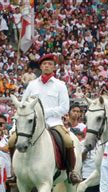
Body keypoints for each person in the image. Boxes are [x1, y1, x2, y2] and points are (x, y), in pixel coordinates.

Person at [7, 53, 82, 184]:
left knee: (68, 141)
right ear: (40, 67)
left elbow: (64, 107)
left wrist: (43, 114)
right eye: (44, 64)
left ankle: (71, 172)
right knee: (12, 141)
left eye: (50, 64)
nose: (47, 66)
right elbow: (23, 106)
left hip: (53, 123)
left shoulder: (60, 85)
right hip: (31, 124)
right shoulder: (32, 85)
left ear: (54, 67)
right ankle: (14, 173)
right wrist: (15, 127)